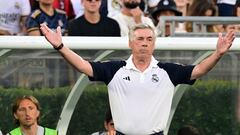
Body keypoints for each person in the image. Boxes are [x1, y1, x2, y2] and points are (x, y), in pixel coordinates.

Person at [40, 23, 235, 135]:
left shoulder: (167, 71)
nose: (144, 43)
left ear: (154, 44)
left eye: (149, 39)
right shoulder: (115, 69)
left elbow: (199, 70)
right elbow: (83, 65)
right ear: (130, 42)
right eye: (140, 39)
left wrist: (218, 53)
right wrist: (60, 47)